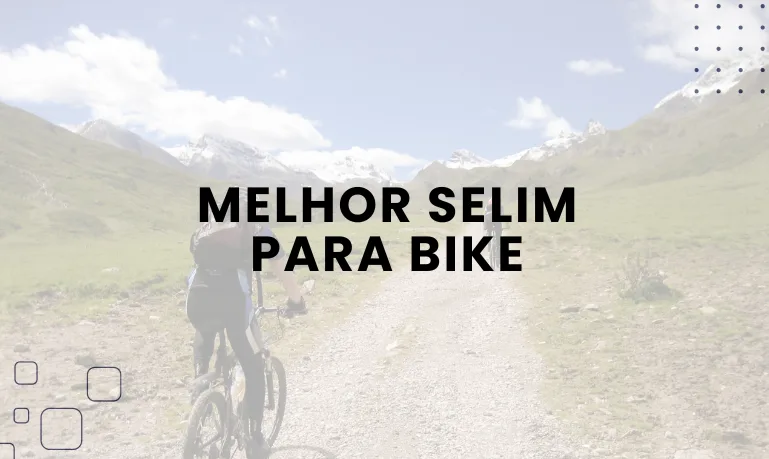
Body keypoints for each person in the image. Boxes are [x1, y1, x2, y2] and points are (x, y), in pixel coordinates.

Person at [185, 189, 306, 458]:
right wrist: (296, 301)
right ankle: (256, 439)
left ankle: (200, 384)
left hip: (197, 301)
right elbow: (282, 268)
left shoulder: (207, 229)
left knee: (205, 328)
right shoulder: (257, 230)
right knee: (253, 364)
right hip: (233, 305)